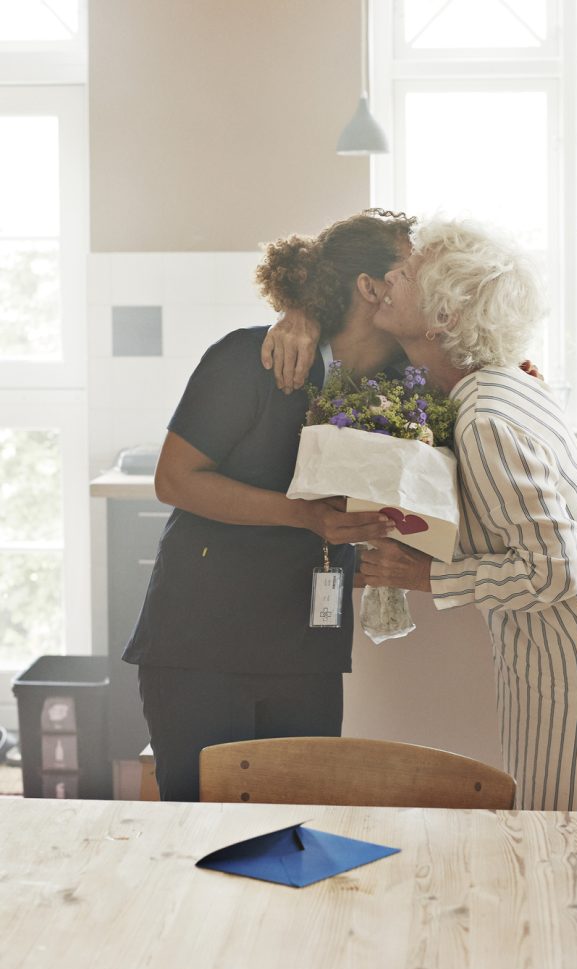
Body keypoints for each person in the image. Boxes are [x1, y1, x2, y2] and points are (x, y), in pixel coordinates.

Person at [355, 218, 577, 870]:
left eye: (411, 268)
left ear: (444, 314)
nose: (392, 275)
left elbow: (552, 572)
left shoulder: (486, 414)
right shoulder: (502, 385)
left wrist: (425, 577)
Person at [122, 209, 413, 801]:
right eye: (413, 269)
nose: (428, 281)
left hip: (310, 646)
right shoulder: (250, 358)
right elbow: (175, 481)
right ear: (371, 287)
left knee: (297, 832)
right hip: (203, 643)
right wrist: (304, 514)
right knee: (201, 833)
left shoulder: (407, 382)